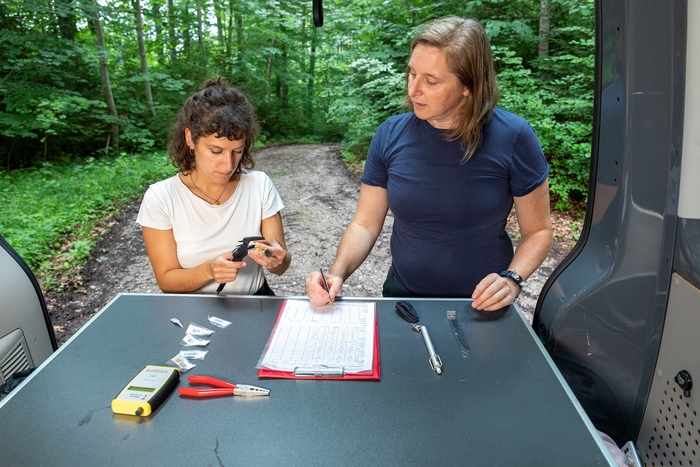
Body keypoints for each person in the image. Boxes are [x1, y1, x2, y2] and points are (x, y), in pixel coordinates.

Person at [306, 16, 552, 311]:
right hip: (404, 294)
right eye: (412, 74)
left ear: (468, 86)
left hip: (483, 303)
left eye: (431, 81)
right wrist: (336, 272)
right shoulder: (390, 134)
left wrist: (512, 279)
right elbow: (365, 223)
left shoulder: (514, 137)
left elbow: (538, 231)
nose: (413, 90)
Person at [136, 77, 291, 295]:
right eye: (216, 151)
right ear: (190, 138)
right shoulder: (161, 197)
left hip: (256, 302)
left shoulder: (259, 184)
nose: (228, 165)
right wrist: (209, 270)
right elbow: (166, 280)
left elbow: (282, 264)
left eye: (237, 151)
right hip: (191, 312)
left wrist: (277, 259)